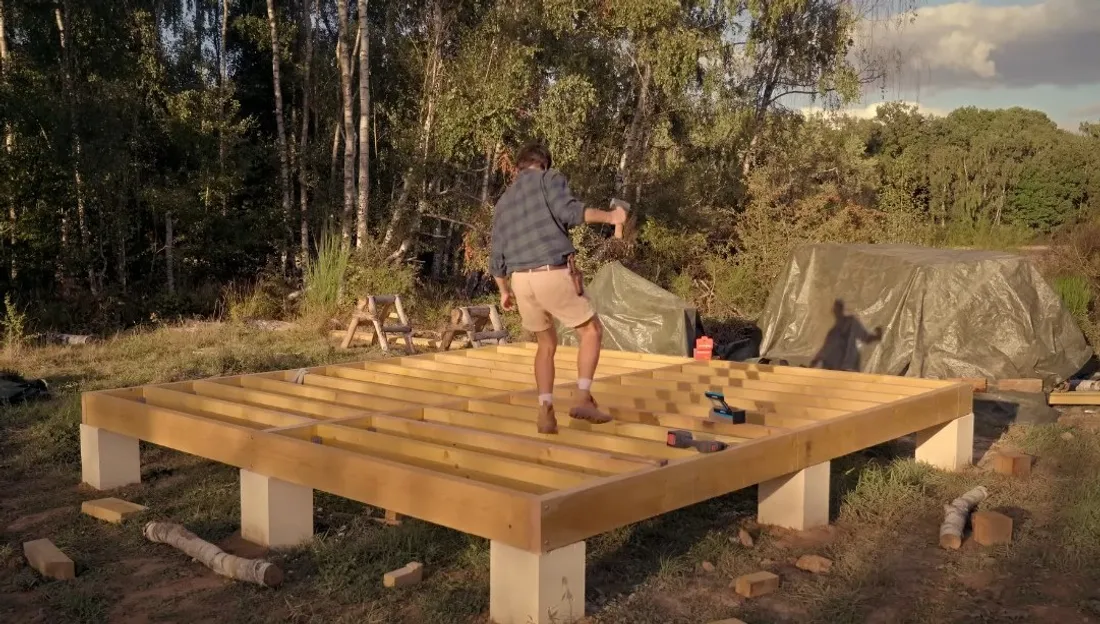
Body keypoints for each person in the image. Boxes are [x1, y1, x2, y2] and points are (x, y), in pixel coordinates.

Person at [488, 142, 628, 434]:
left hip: (520, 280)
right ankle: (581, 398)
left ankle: (545, 412)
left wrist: (503, 291)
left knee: (545, 344)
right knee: (590, 331)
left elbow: (497, 254)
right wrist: (612, 217)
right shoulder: (548, 179)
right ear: (544, 164)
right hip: (550, 271)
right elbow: (570, 212)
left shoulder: (504, 202)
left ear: (518, 168)